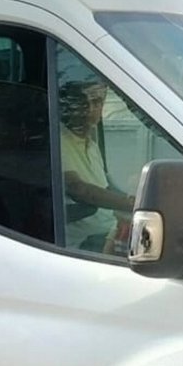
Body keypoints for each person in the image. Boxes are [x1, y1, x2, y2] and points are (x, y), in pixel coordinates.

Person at [60, 80, 133, 253]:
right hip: (81, 242)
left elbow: (103, 188)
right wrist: (131, 204)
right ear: (69, 107)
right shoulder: (58, 140)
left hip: (106, 230)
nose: (91, 109)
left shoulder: (91, 145)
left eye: (97, 102)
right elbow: (77, 189)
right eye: (84, 103)